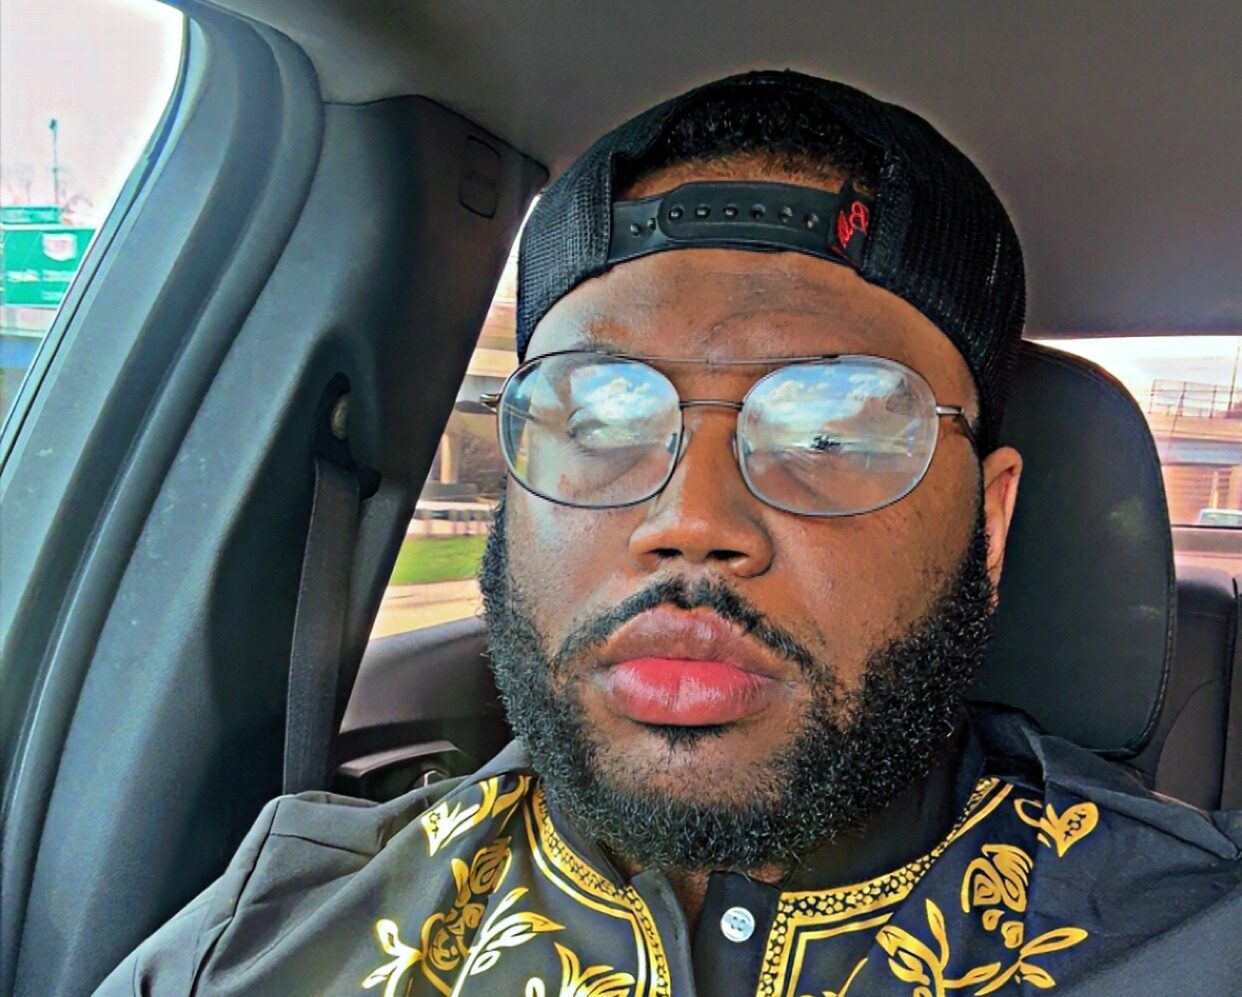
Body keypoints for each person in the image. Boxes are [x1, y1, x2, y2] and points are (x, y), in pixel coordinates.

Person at [97, 70, 1240, 997]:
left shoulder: (1198, 942)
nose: (692, 522)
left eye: (833, 430)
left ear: (988, 526)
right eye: (597, 419)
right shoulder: (265, 943)